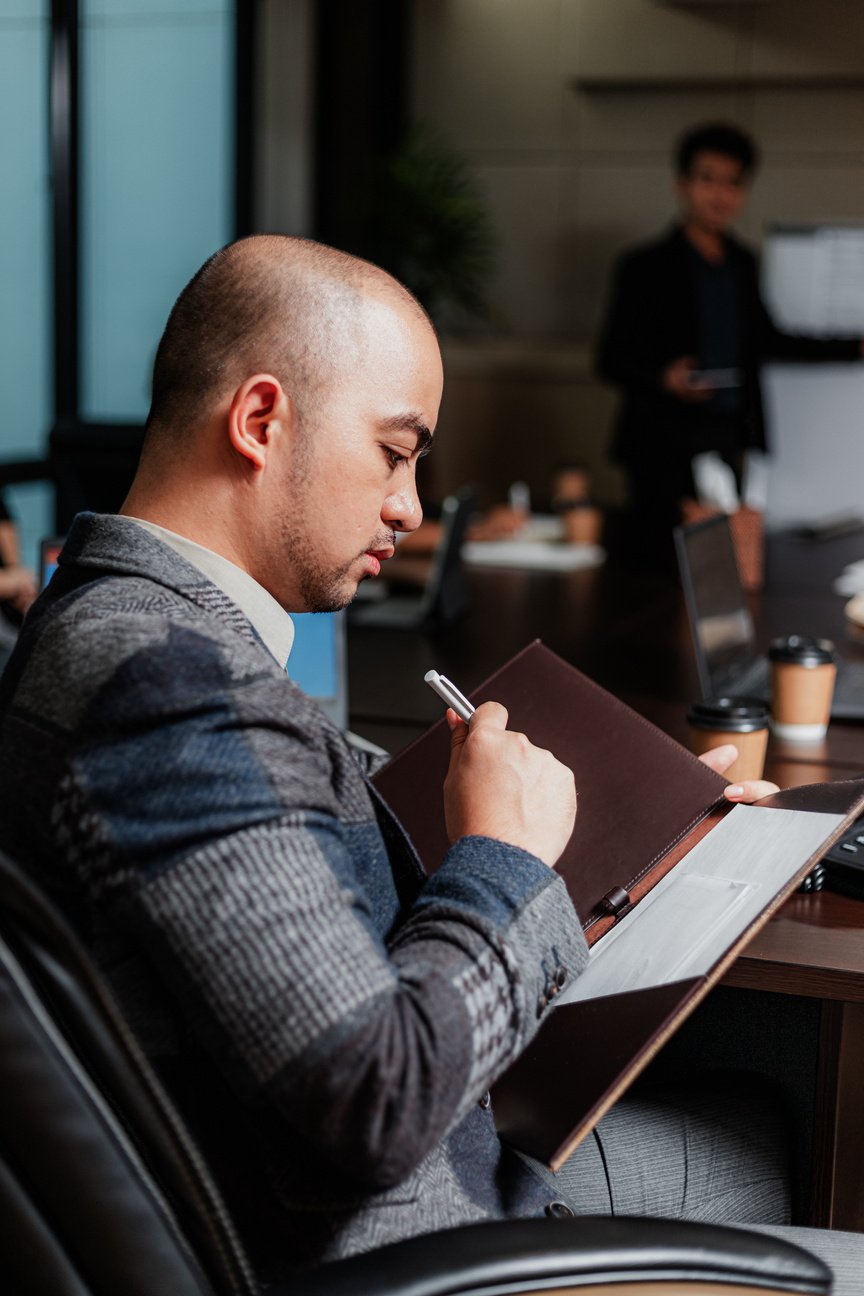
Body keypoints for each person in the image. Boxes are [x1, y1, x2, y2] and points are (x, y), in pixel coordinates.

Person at [0, 235, 861, 1291]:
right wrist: (506, 856)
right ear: (261, 420)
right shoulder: (165, 685)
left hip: (410, 1178)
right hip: (416, 1238)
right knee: (794, 1140)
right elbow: (371, 1104)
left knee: (766, 1096)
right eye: (396, 451)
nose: (410, 506)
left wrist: (641, 852)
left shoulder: (123, 626)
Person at [596, 121, 863, 568]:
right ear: (682, 184)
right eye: (707, 179)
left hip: (728, 436)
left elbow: (769, 340)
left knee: (723, 564)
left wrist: (855, 346)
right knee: (657, 565)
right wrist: (665, 377)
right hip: (663, 441)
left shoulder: (743, 262)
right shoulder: (644, 266)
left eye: (733, 183)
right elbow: (608, 359)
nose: (720, 194)